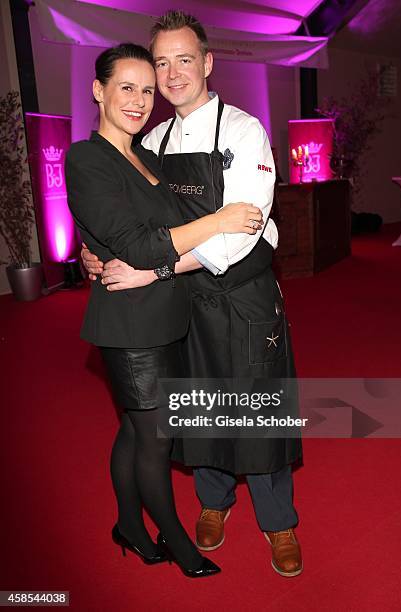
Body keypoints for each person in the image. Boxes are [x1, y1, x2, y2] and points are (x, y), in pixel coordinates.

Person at [82, 11, 303, 577]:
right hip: (184, 304)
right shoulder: (150, 141)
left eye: (185, 59)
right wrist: (95, 254)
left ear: (207, 63)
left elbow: (240, 232)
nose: (173, 73)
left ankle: (279, 522)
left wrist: (154, 271)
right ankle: (213, 502)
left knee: (259, 410)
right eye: (162, 62)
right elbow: (130, 221)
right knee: (201, 406)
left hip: (244, 294)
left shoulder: (243, 130)